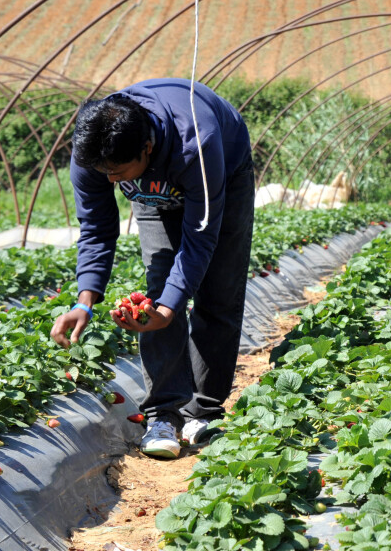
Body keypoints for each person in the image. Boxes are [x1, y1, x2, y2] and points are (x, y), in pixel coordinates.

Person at [49, 79, 255, 459]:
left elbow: (200, 235)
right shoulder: (93, 152)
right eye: (103, 172)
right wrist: (85, 301)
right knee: (159, 286)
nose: (110, 180)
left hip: (221, 169)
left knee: (218, 289)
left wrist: (171, 308)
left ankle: (204, 410)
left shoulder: (198, 141)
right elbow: (96, 228)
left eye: (118, 171)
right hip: (154, 186)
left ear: (146, 147)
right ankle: (164, 413)